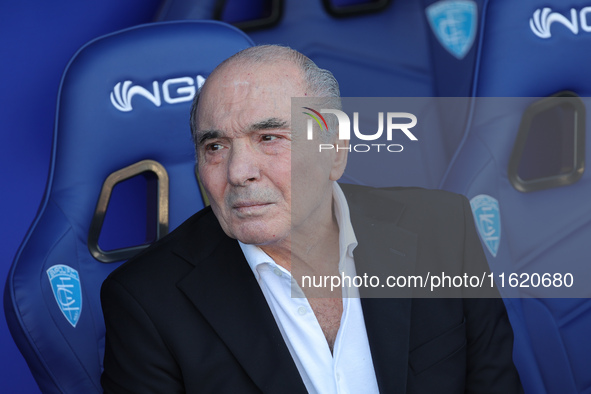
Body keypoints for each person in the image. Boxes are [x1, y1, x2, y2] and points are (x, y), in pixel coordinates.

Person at [101, 45, 523, 393]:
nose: (237, 172)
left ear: (335, 150)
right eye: (215, 146)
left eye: (269, 138)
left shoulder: (443, 228)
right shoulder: (147, 302)